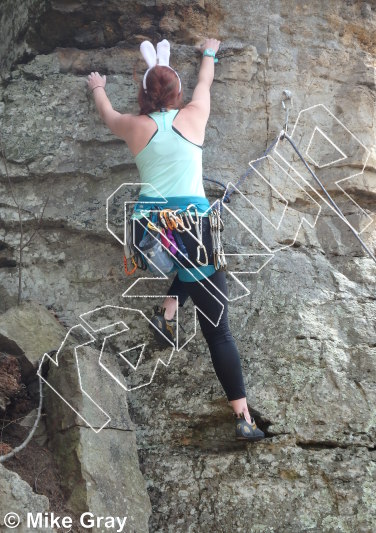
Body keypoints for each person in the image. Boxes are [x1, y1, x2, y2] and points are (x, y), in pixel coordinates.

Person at [86, 38, 265, 441]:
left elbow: (108, 114)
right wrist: (209, 53)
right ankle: (244, 418)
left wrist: (98, 86)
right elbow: (206, 81)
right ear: (177, 92)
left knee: (189, 260)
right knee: (217, 327)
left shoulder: (134, 126)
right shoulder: (194, 114)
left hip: (151, 234)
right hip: (191, 228)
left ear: (144, 92)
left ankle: (167, 312)